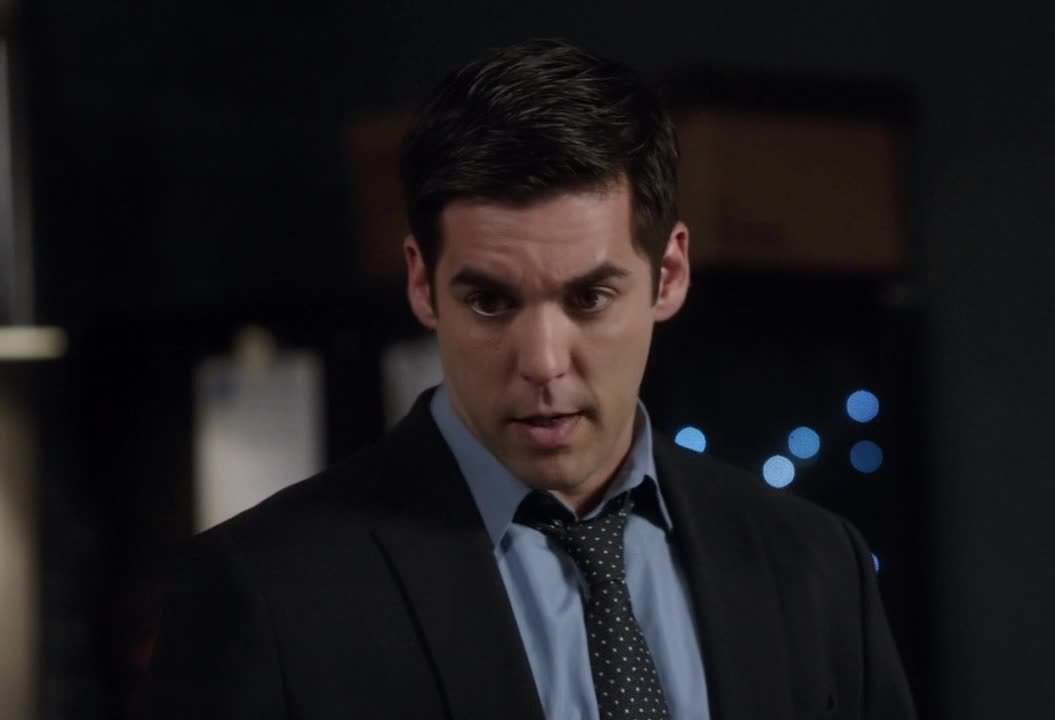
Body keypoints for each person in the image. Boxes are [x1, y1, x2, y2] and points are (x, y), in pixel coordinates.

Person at [140, 38, 917, 720]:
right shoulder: (266, 592)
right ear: (422, 285)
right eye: (490, 302)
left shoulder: (814, 565)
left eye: (590, 298)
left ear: (669, 274)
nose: (543, 362)